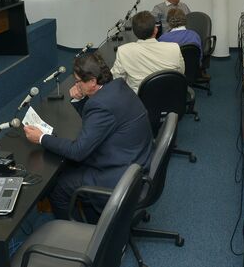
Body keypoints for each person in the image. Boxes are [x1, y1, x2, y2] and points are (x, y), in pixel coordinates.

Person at [23, 53, 153, 220]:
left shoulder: (101, 105)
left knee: (59, 189)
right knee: (69, 165)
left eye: (78, 81)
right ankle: (92, 214)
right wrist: (80, 100)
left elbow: (78, 151)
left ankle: (77, 232)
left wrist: (41, 138)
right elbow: (98, 123)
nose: (76, 84)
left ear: (92, 81)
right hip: (136, 159)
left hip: (120, 174)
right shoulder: (118, 87)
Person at [111, 10, 185, 93]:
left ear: (134, 32)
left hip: (138, 99)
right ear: (156, 30)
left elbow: (116, 80)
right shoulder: (174, 48)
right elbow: (181, 74)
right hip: (170, 95)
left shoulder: (124, 51)